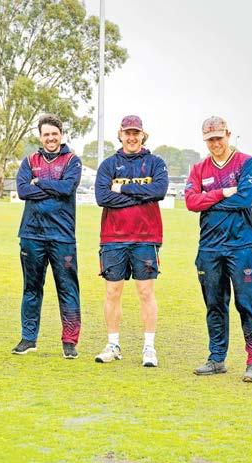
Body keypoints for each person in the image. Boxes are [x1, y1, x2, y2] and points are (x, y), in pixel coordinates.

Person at [185, 116, 252, 383]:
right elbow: (191, 202)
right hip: (209, 247)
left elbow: (244, 198)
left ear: (228, 134)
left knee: (246, 304)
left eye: (219, 138)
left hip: (241, 245)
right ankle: (217, 358)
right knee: (214, 305)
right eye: (210, 140)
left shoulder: (245, 162)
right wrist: (222, 193)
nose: (215, 143)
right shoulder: (198, 168)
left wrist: (207, 201)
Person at [94, 115, 168, 367]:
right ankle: (113, 344)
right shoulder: (108, 165)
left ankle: (149, 347)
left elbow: (158, 191)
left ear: (143, 135)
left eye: (136, 133)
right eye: (127, 133)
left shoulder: (155, 163)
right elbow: (102, 197)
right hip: (113, 238)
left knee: (145, 291)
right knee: (112, 291)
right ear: (120, 135)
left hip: (146, 237)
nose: (132, 137)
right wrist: (141, 196)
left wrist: (122, 189)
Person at [12, 114, 83, 359]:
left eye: (54, 134)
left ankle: (69, 342)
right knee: (31, 288)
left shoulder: (72, 160)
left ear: (61, 135)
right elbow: (23, 191)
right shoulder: (29, 160)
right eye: (46, 134)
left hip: (62, 236)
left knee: (68, 289)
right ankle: (28, 339)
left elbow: (67, 188)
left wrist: (39, 182)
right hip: (31, 234)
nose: (50, 138)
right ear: (40, 137)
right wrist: (51, 188)